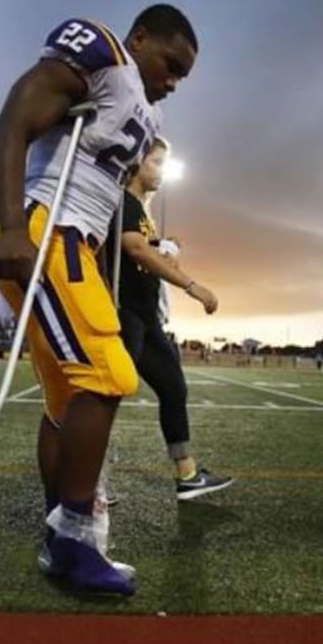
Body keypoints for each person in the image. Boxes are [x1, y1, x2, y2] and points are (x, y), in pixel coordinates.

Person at [0, 5, 198, 595]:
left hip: (73, 243)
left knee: (65, 399)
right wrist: (9, 227)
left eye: (184, 76)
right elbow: (9, 126)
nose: (173, 82)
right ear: (141, 38)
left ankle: (60, 533)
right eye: (170, 63)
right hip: (47, 231)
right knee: (109, 375)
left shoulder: (141, 109)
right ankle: (75, 539)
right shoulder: (103, 53)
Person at [108, 137, 234, 500]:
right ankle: (90, 483)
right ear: (136, 163)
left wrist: (164, 247)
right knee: (107, 396)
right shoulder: (123, 201)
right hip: (122, 313)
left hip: (146, 319)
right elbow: (133, 248)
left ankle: (187, 474)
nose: (161, 170)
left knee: (173, 388)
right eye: (156, 162)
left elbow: (143, 248)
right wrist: (192, 286)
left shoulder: (141, 211)